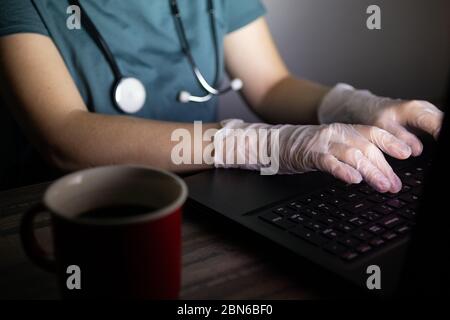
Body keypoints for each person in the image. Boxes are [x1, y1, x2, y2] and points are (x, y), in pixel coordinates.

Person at [0, 0, 443, 193]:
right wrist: (259, 144)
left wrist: (361, 106)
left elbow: (269, 84)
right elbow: (63, 136)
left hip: (198, 195)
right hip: (65, 215)